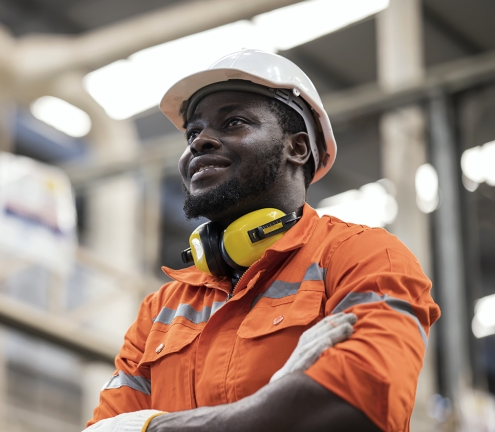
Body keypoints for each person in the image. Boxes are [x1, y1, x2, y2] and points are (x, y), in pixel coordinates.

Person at [84, 49, 440, 432]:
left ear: (297, 148)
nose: (200, 142)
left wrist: (157, 427)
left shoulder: (363, 257)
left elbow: (358, 403)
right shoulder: (161, 311)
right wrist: (275, 404)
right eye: (193, 132)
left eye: (233, 122)